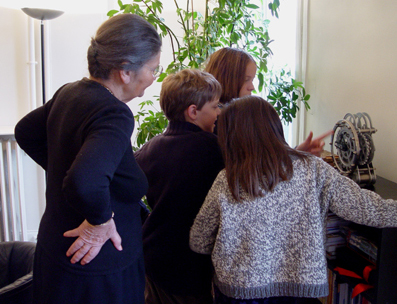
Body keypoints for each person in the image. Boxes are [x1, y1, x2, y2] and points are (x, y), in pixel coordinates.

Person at [189, 95, 397, 304]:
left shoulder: (227, 180)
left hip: (238, 293)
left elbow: (199, 241)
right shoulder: (313, 169)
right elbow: (367, 208)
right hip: (299, 293)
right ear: (275, 128)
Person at [14, 14, 162, 304]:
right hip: (95, 275)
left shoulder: (70, 92)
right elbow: (85, 182)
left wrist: (64, 167)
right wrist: (100, 221)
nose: (154, 78)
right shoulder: (115, 113)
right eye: (154, 69)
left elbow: (25, 131)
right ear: (125, 71)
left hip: (57, 252)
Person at [135, 69, 225, 304]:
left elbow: (122, 187)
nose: (218, 113)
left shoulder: (149, 148)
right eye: (215, 107)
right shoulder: (214, 149)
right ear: (193, 111)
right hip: (188, 266)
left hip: (152, 258)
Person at [204, 47, 331, 156]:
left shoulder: (244, 114)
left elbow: (266, 160)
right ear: (227, 78)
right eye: (246, 79)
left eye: (252, 79)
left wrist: (297, 152)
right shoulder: (218, 120)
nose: (252, 87)